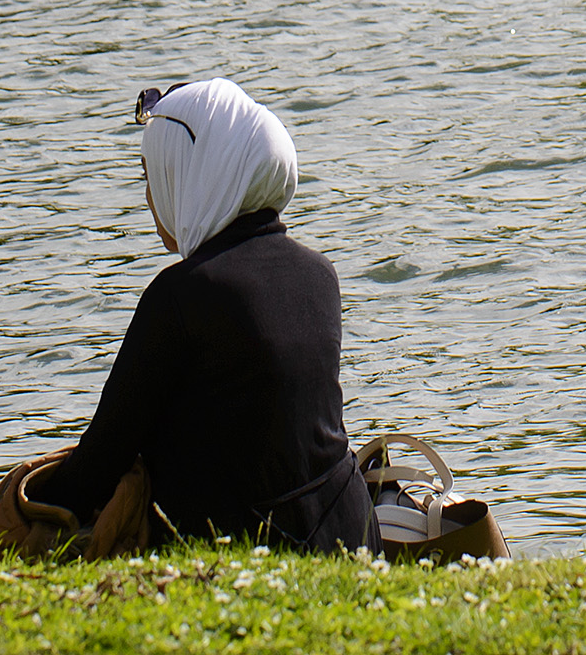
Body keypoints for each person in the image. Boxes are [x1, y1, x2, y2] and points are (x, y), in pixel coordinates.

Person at [29, 79, 377, 552]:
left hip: (242, 546)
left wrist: (14, 503)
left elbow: (103, 460)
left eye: (155, 175)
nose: (151, 196)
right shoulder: (319, 274)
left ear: (197, 174)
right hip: (348, 532)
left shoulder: (183, 293)